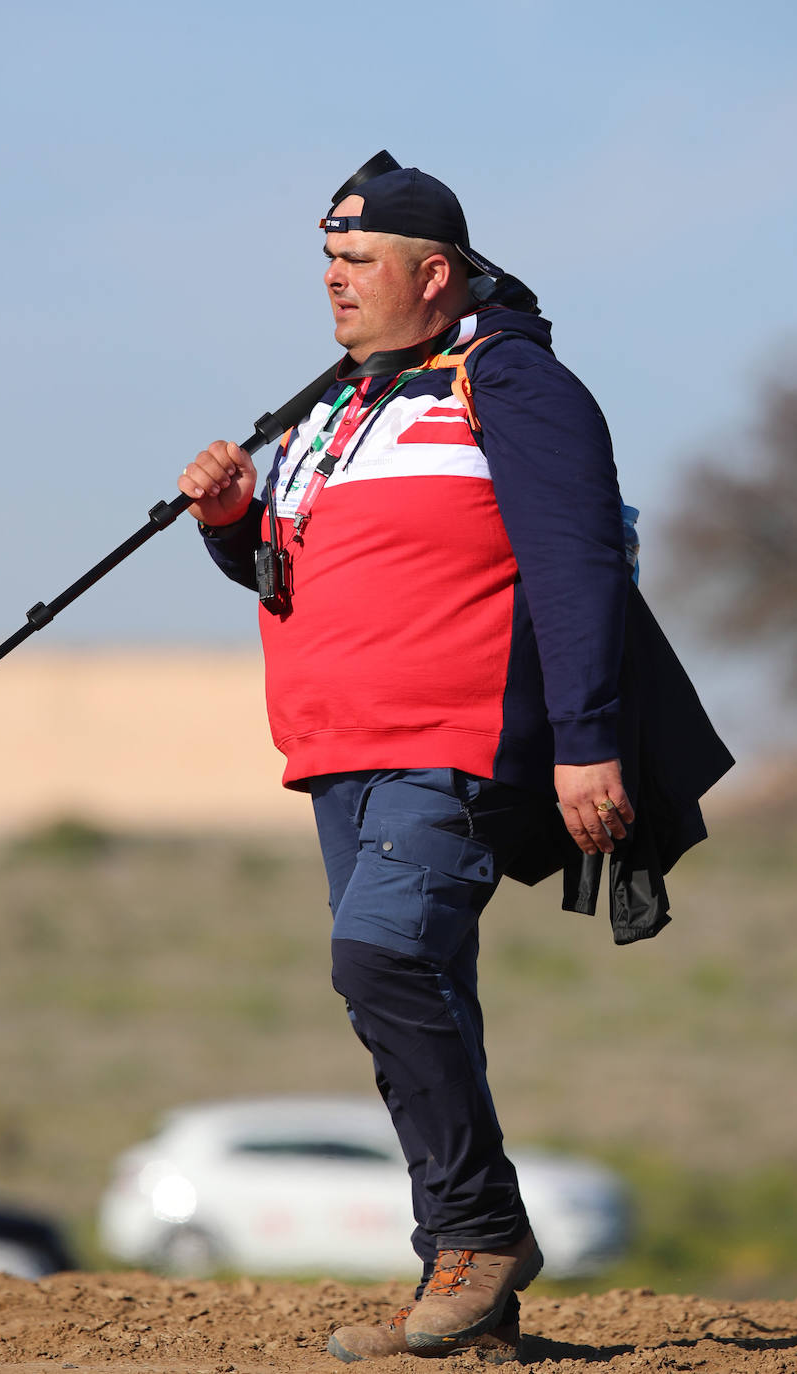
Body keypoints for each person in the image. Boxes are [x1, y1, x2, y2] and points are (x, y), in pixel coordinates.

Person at [178, 161, 636, 1363]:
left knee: (379, 958)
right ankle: (471, 1296)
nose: (332, 280)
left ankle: (481, 1233)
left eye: (357, 260)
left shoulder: (511, 382)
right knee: (418, 990)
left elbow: (579, 566)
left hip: (455, 742)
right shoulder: (340, 404)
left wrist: (588, 742)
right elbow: (294, 573)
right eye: (327, 261)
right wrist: (233, 523)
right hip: (337, 753)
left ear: (433, 274)